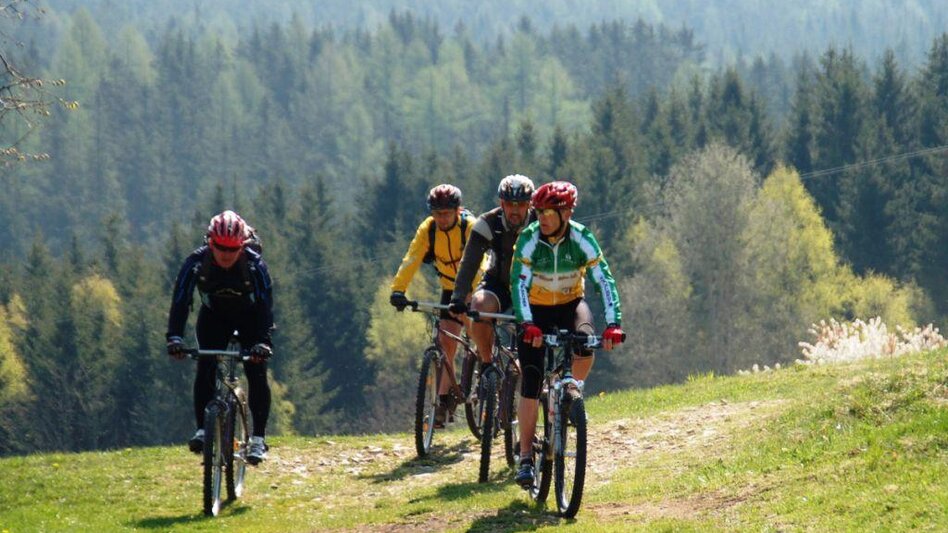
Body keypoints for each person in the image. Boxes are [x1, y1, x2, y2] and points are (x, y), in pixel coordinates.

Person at [509, 181, 625, 488]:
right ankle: (525, 458)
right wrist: (526, 323)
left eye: (550, 212)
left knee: (586, 344)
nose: (542, 217)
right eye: (539, 211)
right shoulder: (529, 238)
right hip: (536, 311)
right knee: (532, 379)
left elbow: (604, 280)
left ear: (566, 212)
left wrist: (614, 324)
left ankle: (572, 389)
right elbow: (518, 284)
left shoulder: (582, 238)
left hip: (571, 305)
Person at [166, 210, 274, 465]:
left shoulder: (254, 265)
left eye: (232, 249)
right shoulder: (195, 263)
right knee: (206, 365)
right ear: (210, 243)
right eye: (220, 248)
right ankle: (203, 430)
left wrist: (263, 342)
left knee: (257, 371)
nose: (226, 254)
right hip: (213, 317)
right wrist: (175, 338)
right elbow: (181, 301)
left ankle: (258, 439)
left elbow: (266, 308)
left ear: (242, 245)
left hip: (250, 319)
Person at [390, 184, 479, 427]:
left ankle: (487, 379)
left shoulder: (469, 227)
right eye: (437, 213)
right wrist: (398, 289)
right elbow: (412, 257)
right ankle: (442, 402)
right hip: (450, 289)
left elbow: (480, 263)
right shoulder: (428, 229)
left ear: (458, 210)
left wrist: (472, 296)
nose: (441, 218)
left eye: (446, 213)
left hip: (473, 285)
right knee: (445, 341)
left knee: (477, 334)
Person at [448, 174, 536, 372]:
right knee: (479, 307)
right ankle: (487, 364)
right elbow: (469, 263)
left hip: (533, 288)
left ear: (529, 204)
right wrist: (458, 297)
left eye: (520, 205)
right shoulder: (488, 222)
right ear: (501, 203)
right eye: (509, 204)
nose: (514, 210)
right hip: (498, 284)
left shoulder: (541, 223)